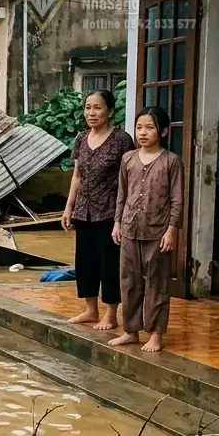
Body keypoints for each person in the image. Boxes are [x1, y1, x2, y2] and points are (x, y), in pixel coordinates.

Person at [110, 106, 185, 354]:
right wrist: (117, 222)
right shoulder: (128, 159)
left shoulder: (171, 161)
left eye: (149, 127)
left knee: (157, 282)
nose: (142, 132)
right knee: (129, 281)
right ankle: (130, 331)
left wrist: (172, 229)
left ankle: (156, 334)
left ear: (163, 131)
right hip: (129, 228)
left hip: (158, 231)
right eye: (139, 127)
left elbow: (177, 199)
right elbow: (122, 194)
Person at [61, 90, 134, 331]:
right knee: (85, 261)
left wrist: (123, 215)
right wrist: (69, 208)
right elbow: (77, 176)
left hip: (110, 212)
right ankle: (91, 310)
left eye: (97, 108)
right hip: (84, 211)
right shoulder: (81, 138)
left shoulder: (121, 140)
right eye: (88, 107)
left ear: (110, 112)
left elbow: (129, 177)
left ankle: (111, 315)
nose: (91, 113)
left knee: (109, 263)